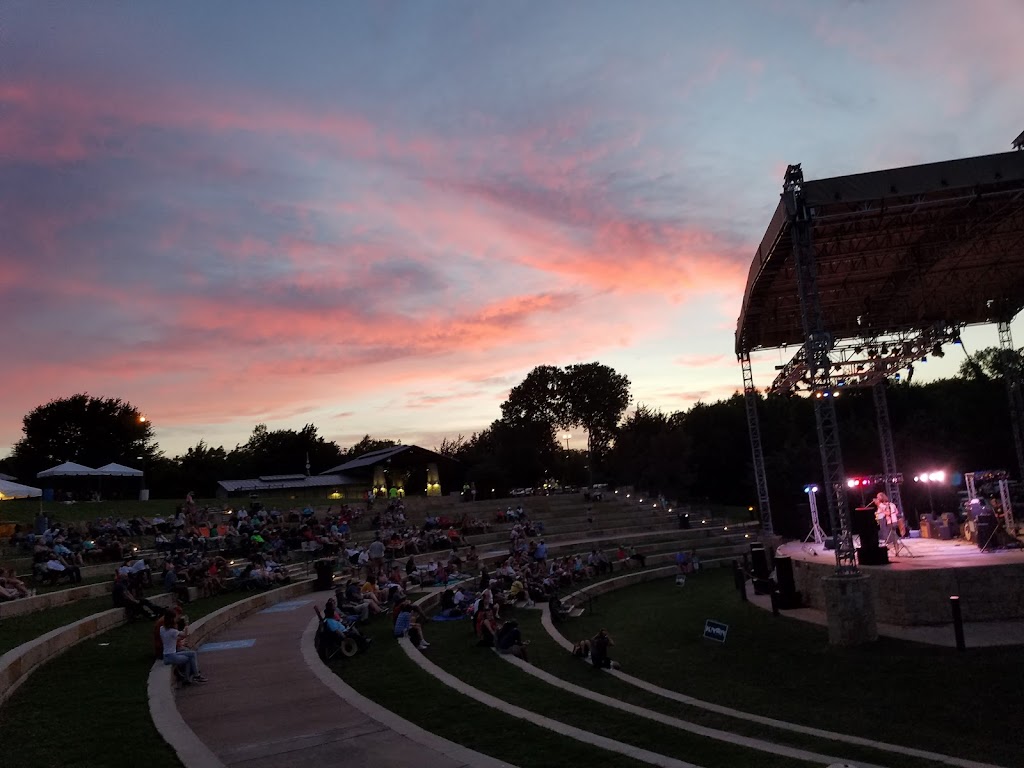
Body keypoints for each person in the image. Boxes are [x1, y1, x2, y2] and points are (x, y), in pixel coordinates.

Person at [159, 609, 206, 683]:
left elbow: (175, 638)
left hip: (166, 655)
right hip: (172, 657)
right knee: (188, 659)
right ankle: (194, 676)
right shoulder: (173, 631)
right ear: (172, 619)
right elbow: (185, 635)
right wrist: (186, 625)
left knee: (192, 653)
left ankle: (191, 677)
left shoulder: (162, 629)